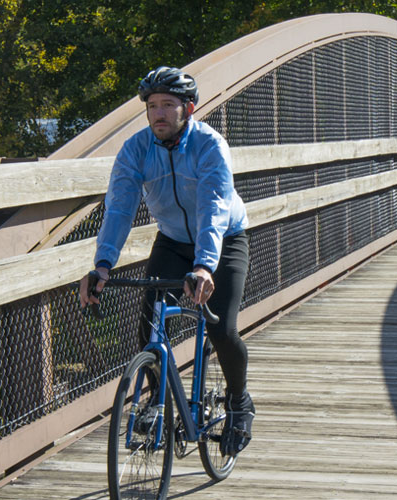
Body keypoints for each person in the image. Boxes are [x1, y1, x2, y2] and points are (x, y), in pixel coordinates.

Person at [77, 66, 255, 456]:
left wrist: (206, 265)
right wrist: (102, 265)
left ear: (188, 108)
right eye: (152, 106)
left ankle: (240, 402)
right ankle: (155, 402)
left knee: (222, 329)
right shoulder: (136, 149)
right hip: (173, 242)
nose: (158, 114)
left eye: (168, 106)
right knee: (150, 328)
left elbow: (213, 207)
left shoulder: (210, 145)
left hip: (224, 238)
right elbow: (119, 209)